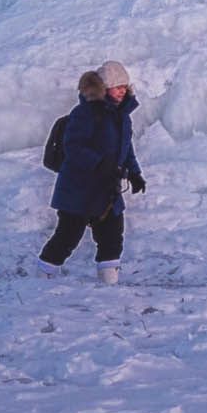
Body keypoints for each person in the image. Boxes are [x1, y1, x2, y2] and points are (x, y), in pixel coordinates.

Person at [39, 61, 146, 282]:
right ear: (104, 88)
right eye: (117, 86)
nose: (122, 91)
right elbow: (74, 146)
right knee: (67, 237)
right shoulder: (85, 113)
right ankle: (41, 278)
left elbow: (126, 149)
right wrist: (98, 164)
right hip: (79, 189)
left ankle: (108, 287)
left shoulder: (122, 117)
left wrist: (135, 173)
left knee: (113, 237)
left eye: (125, 86)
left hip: (107, 190)